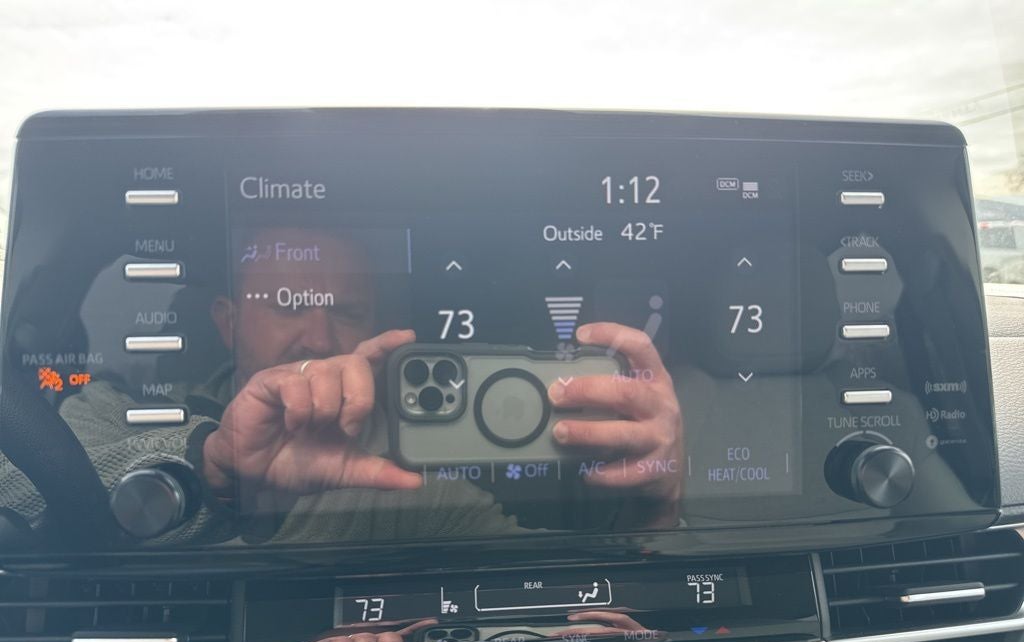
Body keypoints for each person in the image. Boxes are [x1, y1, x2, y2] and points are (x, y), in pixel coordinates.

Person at [0, 227, 685, 545]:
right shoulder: (117, 408)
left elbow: (554, 601)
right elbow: (18, 494)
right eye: (290, 306)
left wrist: (656, 508)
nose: (321, 338)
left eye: (349, 312)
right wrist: (214, 468)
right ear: (227, 322)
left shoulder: (408, 470)